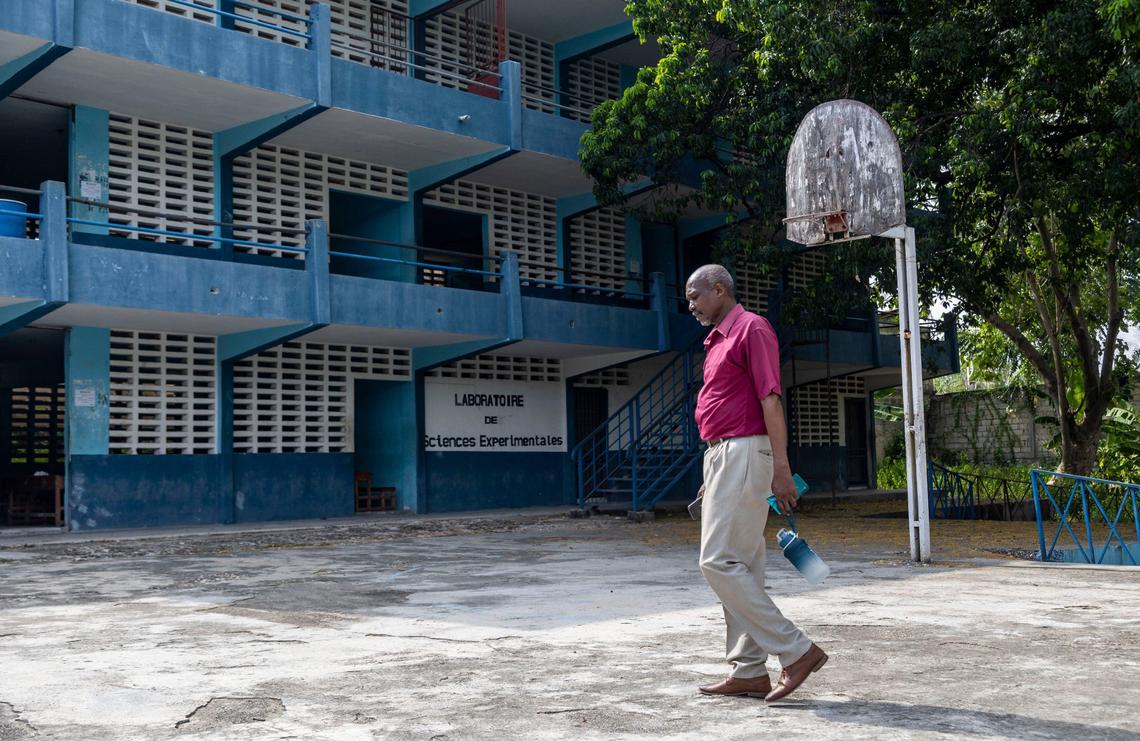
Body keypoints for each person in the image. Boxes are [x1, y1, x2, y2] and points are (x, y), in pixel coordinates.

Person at [686, 264, 827, 702]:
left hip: (747, 450)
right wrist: (713, 474)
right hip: (724, 454)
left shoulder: (752, 329)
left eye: (695, 296)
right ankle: (748, 671)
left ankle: (796, 650)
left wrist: (781, 468)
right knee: (742, 566)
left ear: (720, 289)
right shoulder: (716, 340)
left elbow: (770, 399)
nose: (690, 305)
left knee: (716, 561)